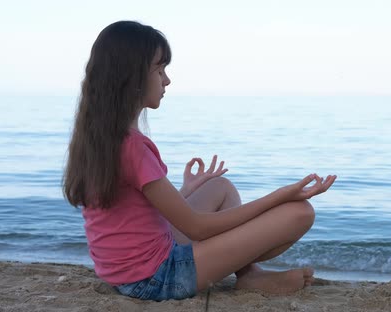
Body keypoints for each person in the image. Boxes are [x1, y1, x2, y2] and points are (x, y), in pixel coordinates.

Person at [63, 20, 337, 301]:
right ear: (131, 78)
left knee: (220, 187)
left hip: (125, 272)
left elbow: (131, 218)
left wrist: (186, 189)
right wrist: (280, 196)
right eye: (159, 70)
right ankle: (249, 272)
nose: (166, 80)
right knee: (299, 212)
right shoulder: (133, 147)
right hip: (156, 278)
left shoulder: (100, 139)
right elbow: (198, 228)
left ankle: (249, 273)